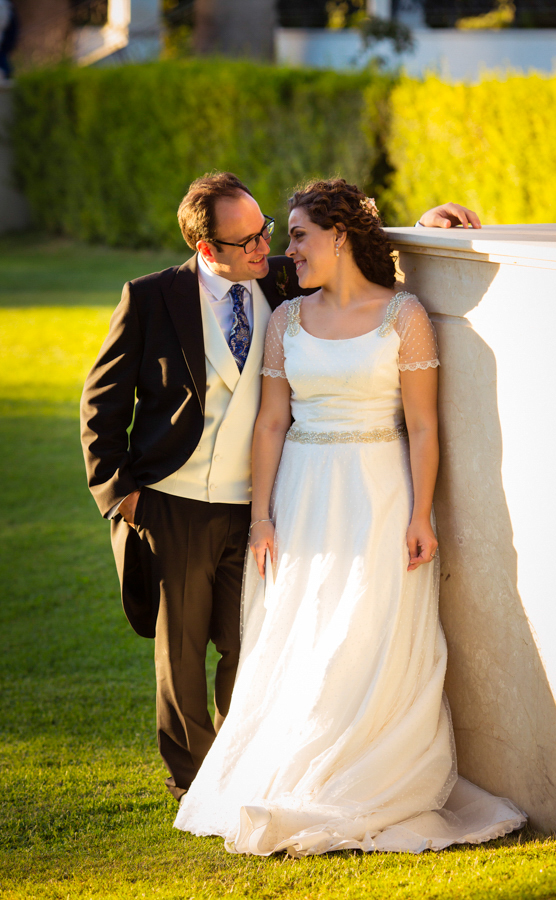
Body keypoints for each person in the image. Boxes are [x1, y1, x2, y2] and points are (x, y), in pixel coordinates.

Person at [80, 170, 481, 802]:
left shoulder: (280, 278)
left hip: (263, 502)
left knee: (256, 643)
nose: (265, 248)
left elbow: (349, 254)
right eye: (247, 242)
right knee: (180, 654)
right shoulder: (152, 297)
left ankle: (245, 761)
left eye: (266, 230)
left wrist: (428, 228)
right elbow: (99, 405)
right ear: (207, 249)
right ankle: (194, 782)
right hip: (174, 500)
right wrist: (123, 495)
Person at [174, 179, 526, 855]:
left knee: (370, 632)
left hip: (380, 494)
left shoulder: (406, 316)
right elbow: (272, 424)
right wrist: (262, 520)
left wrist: (420, 514)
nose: (287, 250)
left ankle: (366, 776)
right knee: (307, 634)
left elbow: (423, 428)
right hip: (304, 496)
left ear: (339, 237)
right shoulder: (287, 320)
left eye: (300, 235)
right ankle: (301, 766)